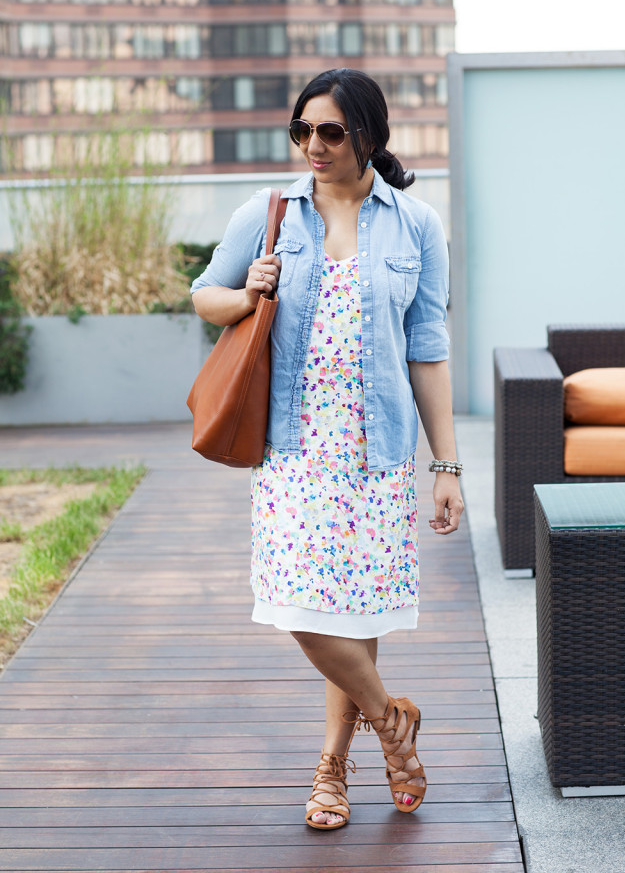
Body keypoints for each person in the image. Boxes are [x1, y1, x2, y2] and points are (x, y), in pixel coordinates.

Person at [191, 68, 464, 830]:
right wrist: (247, 292)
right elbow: (202, 294)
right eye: (303, 130)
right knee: (295, 603)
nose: (314, 145)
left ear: (369, 135)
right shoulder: (271, 213)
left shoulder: (416, 226)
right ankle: (390, 721)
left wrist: (443, 466)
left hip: (377, 456)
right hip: (295, 450)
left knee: (355, 614)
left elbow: (429, 351)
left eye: (332, 132)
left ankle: (332, 770)